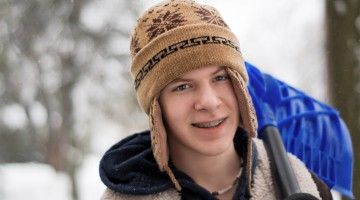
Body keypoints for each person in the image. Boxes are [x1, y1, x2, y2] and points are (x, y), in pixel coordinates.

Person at [99, 0, 332, 199]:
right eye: (182, 86)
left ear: (240, 87)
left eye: (220, 77)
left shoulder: (301, 183)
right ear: (156, 108)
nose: (209, 102)